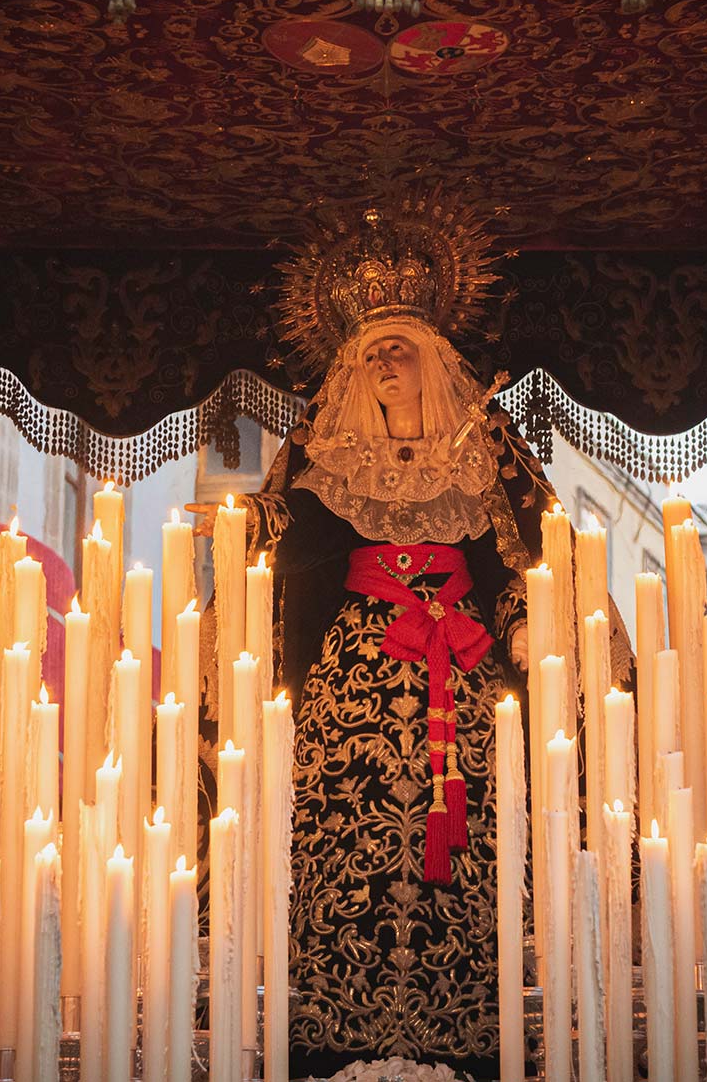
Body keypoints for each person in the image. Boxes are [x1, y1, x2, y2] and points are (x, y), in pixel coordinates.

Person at [201, 300, 569, 1076]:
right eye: (369, 352)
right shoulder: (334, 456)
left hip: (461, 674)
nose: (381, 363)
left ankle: (463, 1024)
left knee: (471, 834)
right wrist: (242, 520)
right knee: (342, 824)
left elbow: (517, 556)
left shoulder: (479, 452)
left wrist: (521, 625)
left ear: (432, 362)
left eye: (397, 347)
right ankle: (338, 1023)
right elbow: (287, 527)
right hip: (355, 679)